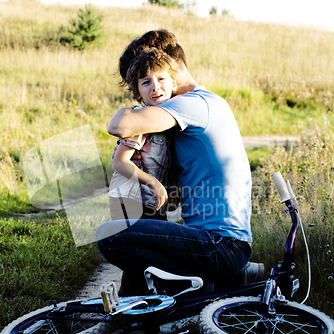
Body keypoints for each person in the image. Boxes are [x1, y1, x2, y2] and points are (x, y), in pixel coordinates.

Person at [97, 30, 261, 295]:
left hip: (220, 245)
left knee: (110, 236)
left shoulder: (189, 104)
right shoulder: (206, 102)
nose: (152, 87)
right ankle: (216, 283)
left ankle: (204, 288)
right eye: (143, 80)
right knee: (145, 235)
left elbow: (119, 125)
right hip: (224, 244)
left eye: (155, 74)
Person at [108, 48, 180, 223]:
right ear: (138, 92)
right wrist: (153, 183)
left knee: (157, 241)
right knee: (139, 243)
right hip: (130, 196)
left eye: (161, 78)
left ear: (174, 83)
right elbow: (119, 162)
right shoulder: (139, 120)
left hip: (151, 199)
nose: (155, 86)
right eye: (146, 82)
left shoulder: (170, 117)